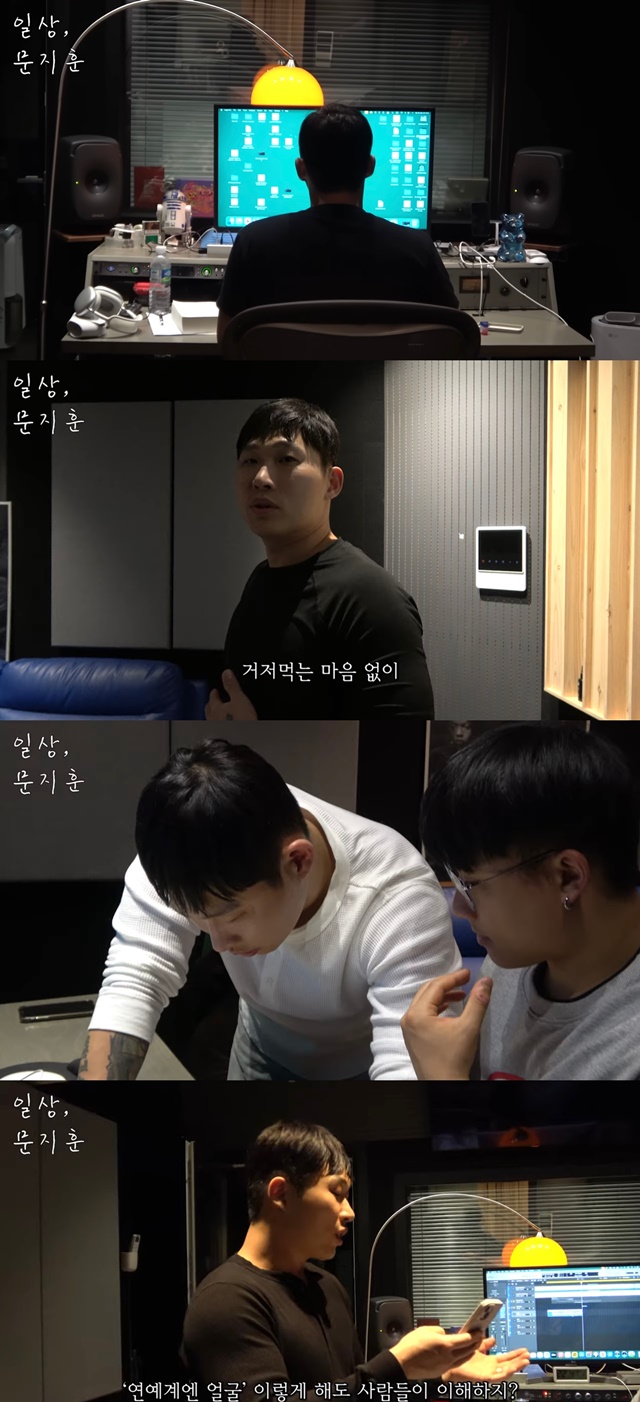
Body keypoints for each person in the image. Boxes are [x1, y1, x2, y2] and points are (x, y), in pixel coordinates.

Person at [77, 738, 461, 1081]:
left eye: (233, 915)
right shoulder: (181, 848)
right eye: (199, 918)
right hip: (259, 1048)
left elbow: (408, 1059)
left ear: (297, 861)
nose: (219, 944)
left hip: (364, 1065)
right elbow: (136, 977)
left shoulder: (398, 901)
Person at [180, 1119, 530, 1402]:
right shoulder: (226, 1299)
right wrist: (397, 1364)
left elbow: (353, 1401)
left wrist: (438, 1372)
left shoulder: (326, 1286)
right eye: (336, 1192)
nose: (349, 1211)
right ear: (280, 1193)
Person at [399, 724, 640, 1081]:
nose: (460, 909)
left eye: (470, 884)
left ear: (568, 877)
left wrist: (442, 1078)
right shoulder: (514, 962)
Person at [204, 397, 435, 719]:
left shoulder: (370, 597)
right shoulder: (261, 577)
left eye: (286, 459)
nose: (261, 478)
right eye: (250, 460)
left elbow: (402, 732)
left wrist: (253, 731)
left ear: (332, 483)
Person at [216, 105, 458, 343]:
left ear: (300, 169)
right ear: (370, 166)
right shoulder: (418, 249)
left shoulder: (253, 243)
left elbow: (227, 340)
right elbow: (453, 336)